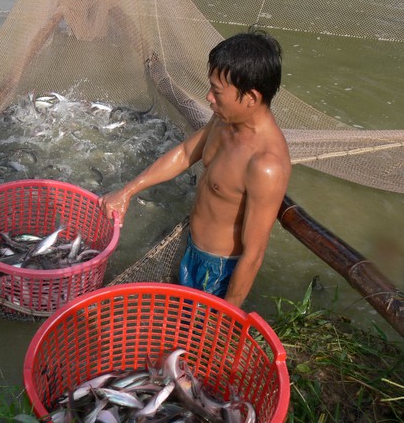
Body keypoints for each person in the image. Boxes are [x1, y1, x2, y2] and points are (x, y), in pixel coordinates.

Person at [99, 28, 291, 308]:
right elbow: (186, 153)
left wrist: (226, 314)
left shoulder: (265, 165)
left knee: (194, 336)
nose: (209, 97)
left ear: (251, 97)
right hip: (192, 246)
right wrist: (128, 190)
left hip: (218, 271)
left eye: (217, 91)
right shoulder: (225, 120)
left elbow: (254, 254)